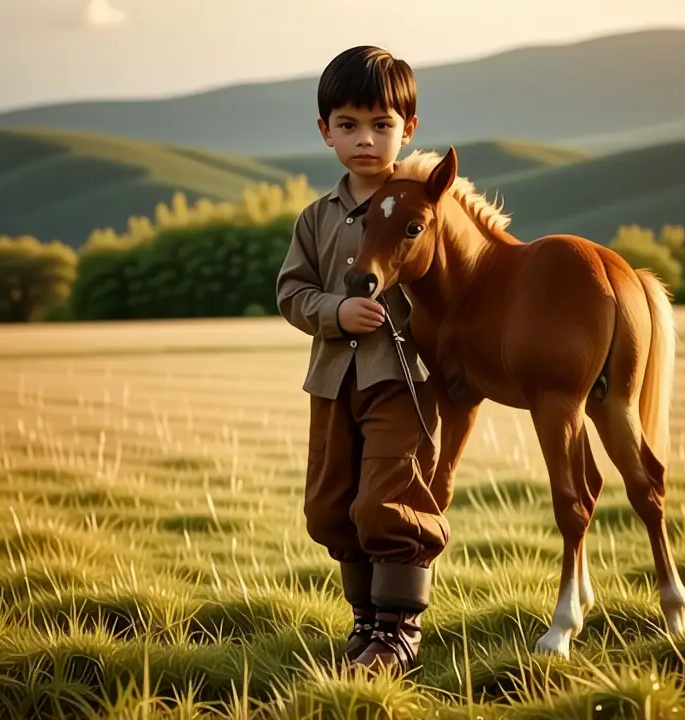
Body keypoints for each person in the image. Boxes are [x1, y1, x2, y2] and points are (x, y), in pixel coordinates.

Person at [275, 45, 446, 674]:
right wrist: (334, 313)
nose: (366, 140)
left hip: (401, 379)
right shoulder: (316, 219)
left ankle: (399, 633)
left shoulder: (424, 209)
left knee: (387, 501)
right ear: (325, 131)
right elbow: (291, 293)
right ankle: (367, 623)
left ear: (409, 130)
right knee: (329, 505)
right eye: (348, 125)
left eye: (382, 125)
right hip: (331, 381)